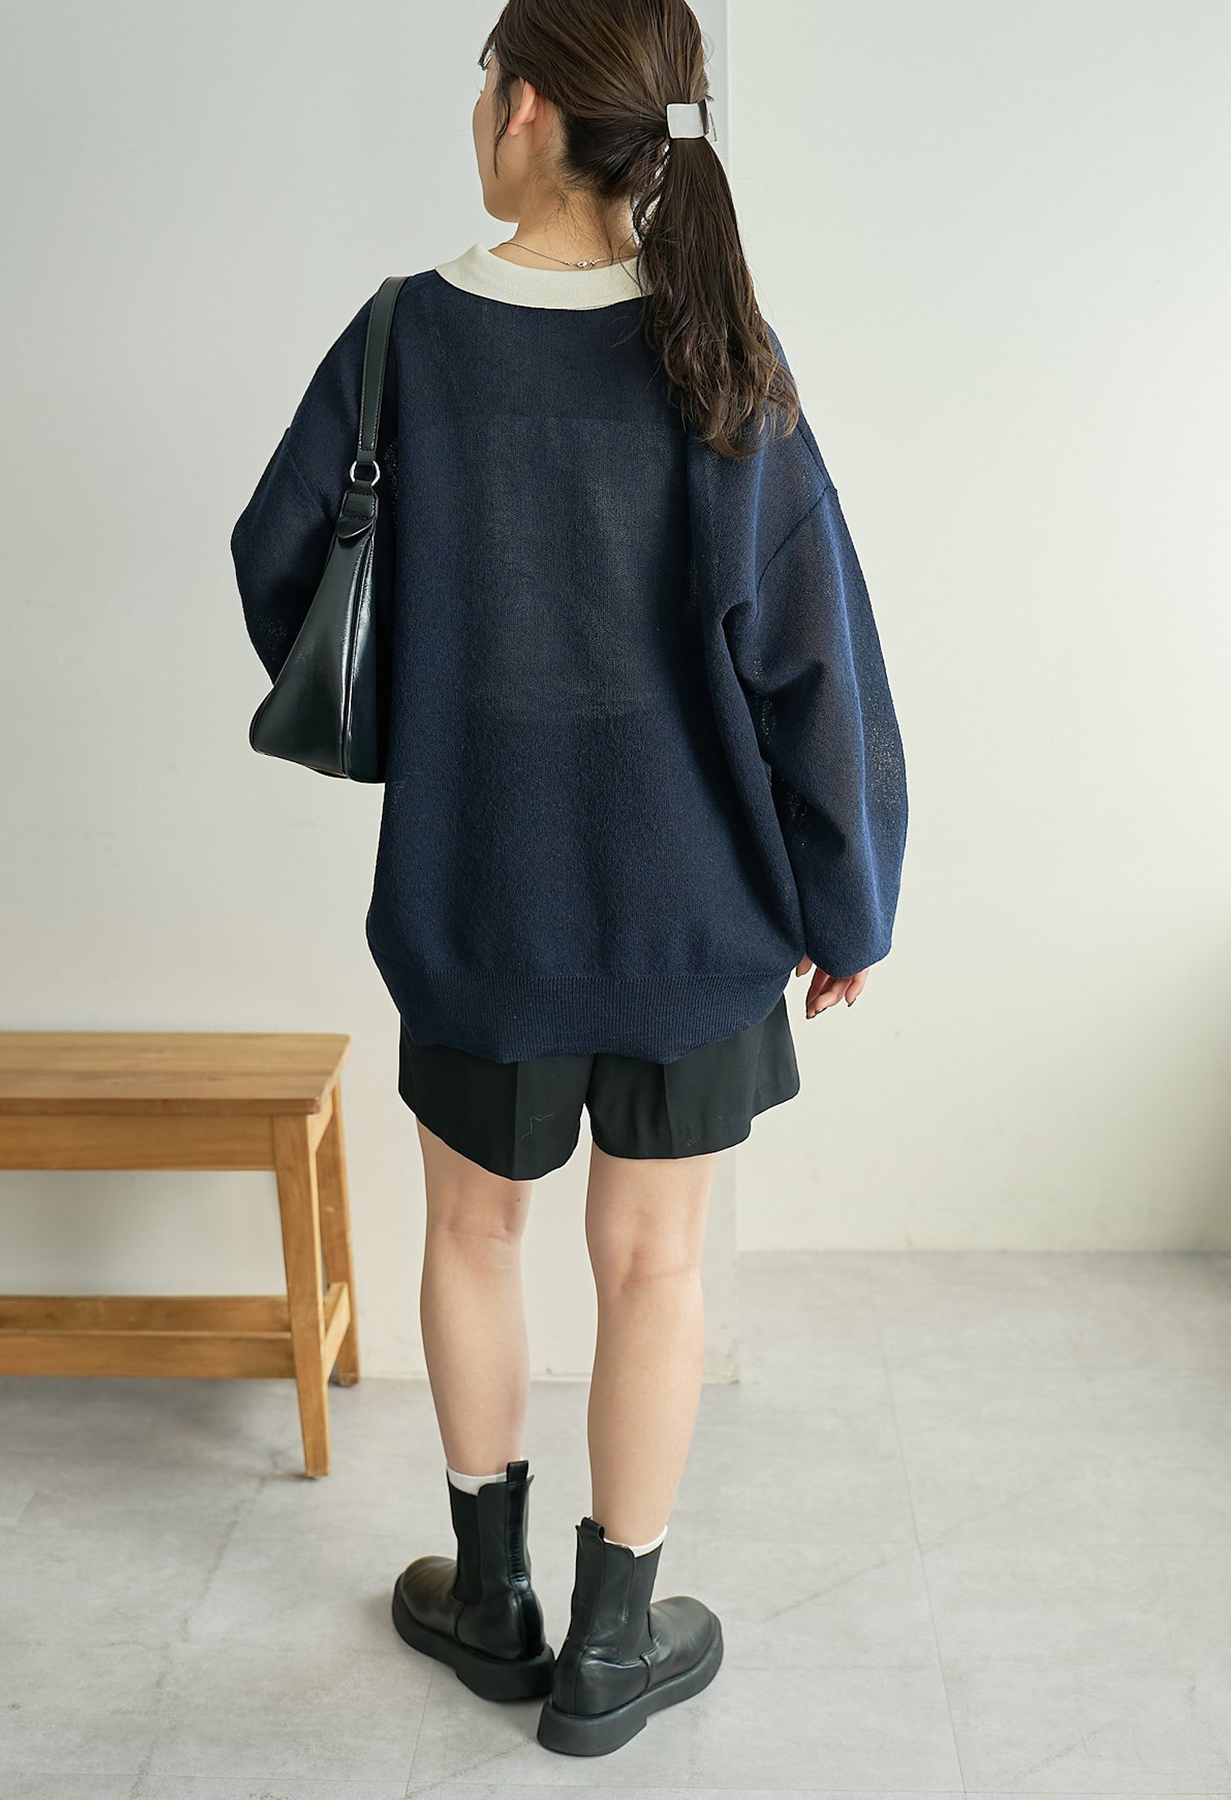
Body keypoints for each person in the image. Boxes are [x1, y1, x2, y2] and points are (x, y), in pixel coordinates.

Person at [230, 0, 907, 1759]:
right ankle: (613, 1644)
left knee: (473, 1231)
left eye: (483, 85)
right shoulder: (722, 350)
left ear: (524, 105)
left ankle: (493, 1602)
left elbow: (280, 560)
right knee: (655, 1266)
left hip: (479, 901)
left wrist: (436, 715)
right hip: (696, 913)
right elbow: (813, 658)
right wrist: (849, 904)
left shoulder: (404, 337)